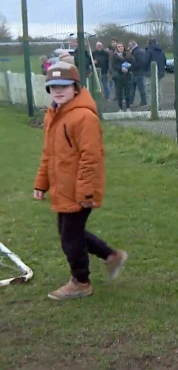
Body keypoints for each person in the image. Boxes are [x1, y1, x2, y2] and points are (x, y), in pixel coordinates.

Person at [33, 62, 128, 300]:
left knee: (70, 238)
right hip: (62, 188)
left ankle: (81, 282)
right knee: (70, 233)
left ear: (76, 87)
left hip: (79, 190)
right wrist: (41, 183)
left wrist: (86, 193)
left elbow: (91, 157)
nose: (58, 90)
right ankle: (111, 256)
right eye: (53, 86)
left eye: (63, 86)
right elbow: (49, 154)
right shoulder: (53, 116)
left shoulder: (84, 117)